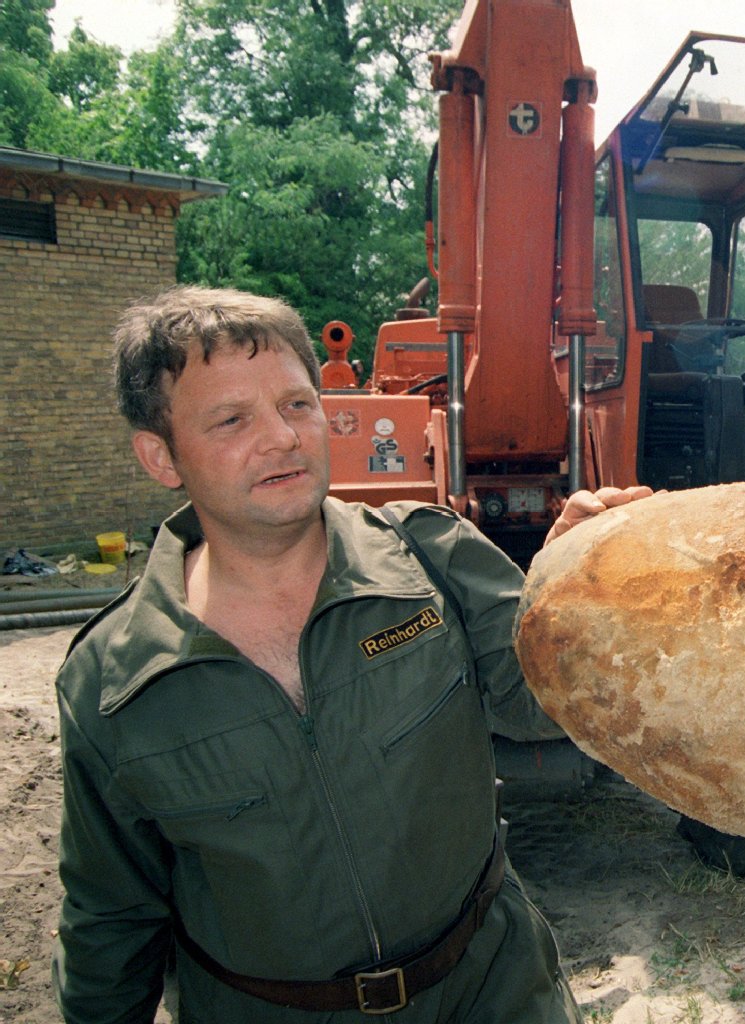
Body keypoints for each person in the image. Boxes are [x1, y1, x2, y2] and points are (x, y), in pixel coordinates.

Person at [53, 285, 646, 1022]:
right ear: (160, 456)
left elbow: (549, 710)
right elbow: (110, 918)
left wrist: (572, 589)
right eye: (232, 419)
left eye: (297, 405)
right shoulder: (113, 682)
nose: (282, 437)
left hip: (489, 990)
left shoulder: (431, 559)